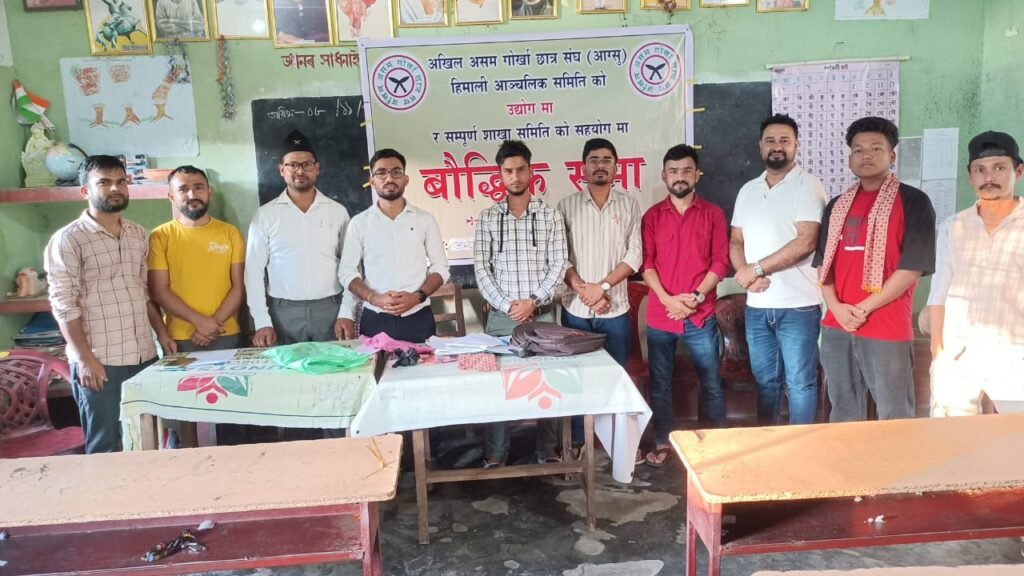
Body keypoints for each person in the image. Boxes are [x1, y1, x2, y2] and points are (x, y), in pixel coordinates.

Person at [44, 155, 172, 453]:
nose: (115, 188)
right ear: (85, 191)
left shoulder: (137, 234)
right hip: (101, 360)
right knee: (105, 445)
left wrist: (162, 333)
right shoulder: (68, 240)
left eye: (120, 181)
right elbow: (63, 304)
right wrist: (84, 358)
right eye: (104, 182)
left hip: (143, 354)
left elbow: (142, 292)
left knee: (146, 440)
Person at [813, 116, 936, 422]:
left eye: (875, 148)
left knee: (894, 413)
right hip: (837, 326)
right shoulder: (837, 206)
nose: (865, 155)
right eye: (858, 149)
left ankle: (895, 459)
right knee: (843, 411)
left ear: (891, 156)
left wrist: (862, 309)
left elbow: (912, 268)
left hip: (886, 327)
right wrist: (837, 308)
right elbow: (824, 265)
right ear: (850, 157)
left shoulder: (914, 202)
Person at [474, 139, 568, 468]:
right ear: (500, 175)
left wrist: (533, 302)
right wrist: (508, 305)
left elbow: (559, 264)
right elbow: (481, 269)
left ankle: (548, 449)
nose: (515, 176)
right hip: (502, 317)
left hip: (542, 315)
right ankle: (497, 451)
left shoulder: (550, 216)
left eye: (520, 169)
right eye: (508, 171)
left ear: (531, 171)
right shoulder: (487, 218)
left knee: (550, 381)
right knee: (497, 383)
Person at [730, 113, 827, 425]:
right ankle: (768, 442)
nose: (777, 146)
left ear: (796, 145)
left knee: (800, 383)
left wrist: (756, 269)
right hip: (757, 307)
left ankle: (800, 445)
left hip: (798, 306)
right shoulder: (748, 190)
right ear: (760, 146)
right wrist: (744, 273)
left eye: (785, 140)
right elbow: (736, 240)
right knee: (766, 384)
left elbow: (806, 241)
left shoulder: (807, 185)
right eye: (770, 140)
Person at [641, 144, 729, 466]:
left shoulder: (713, 214)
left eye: (687, 171)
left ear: (697, 174)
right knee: (660, 383)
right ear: (664, 175)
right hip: (661, 315)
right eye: (674, 171)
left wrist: (695, 297)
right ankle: (664, 440)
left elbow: (720, 262)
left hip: (700, 314)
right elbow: (647, 265)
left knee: (711, 382)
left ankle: (713, 441)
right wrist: (668, 300)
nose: (680, 177)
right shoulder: (652, 217)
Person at [928, 131, 1024, 416]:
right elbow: (939, 293)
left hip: (1015, 354)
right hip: (959, 355)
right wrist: (938, 354)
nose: (989, 177)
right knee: (951, 438)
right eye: (980, 169)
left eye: (999, 167)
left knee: (1017, 436)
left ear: (1018, 171)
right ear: (970, 176)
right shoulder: (953, 226)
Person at [245, 129, 355, 348]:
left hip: (330, 310)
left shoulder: (337, 212)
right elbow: (253, 272)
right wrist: (262, 321)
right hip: (283, 313)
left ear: (317, 168)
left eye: (307, 164)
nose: (300, 171)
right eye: (292, 165)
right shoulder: (265, 215)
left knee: (333, 366)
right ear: (281, 170)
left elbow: (351, 265)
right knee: (286, 368)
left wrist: (347, 312)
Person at [339, 149, 450, 343]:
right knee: (376, 364)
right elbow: (347, 271)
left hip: (418, 315)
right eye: (381, 172)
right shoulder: (359, 223)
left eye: (396, 172)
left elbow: (441, 267)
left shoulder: (425, 220)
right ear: (372, 180)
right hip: (375, 317)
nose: (389, 178)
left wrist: (417, 297)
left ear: (406, 180)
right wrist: (374, 298)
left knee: (424, 362)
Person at [558, 138, 641, 367]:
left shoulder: (630, 205)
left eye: (606, 160)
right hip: (576, 309)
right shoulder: (565, 206)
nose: (600, 165)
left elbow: (635, 254)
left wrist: (601, 288)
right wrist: (587, 293)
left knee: (616, 374)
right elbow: (559, 258)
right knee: (579, 377)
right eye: (593, 160)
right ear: (583, 167)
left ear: (616, 167)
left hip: (615, 309)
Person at [148, 165, 245, 352]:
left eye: (199, 187)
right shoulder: (160, 236)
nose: (192, 194)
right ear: (171, 197)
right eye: (183, 189)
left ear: (209, 192)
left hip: (226, 331)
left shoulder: (230, 233)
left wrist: (213, 324)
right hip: (180, 337)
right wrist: (201, 322)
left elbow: (238, 287)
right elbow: (159, 291)